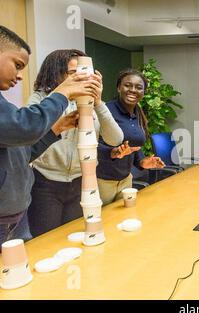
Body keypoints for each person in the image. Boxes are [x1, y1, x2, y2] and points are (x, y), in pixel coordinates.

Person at [0, 25, 100, 246]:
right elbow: (25, 127)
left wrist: (57, 128)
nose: (19, 76)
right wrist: (62, 92)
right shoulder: (45, 99)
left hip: (15, 214)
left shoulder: (4, 104)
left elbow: (24, 151)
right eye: (17, 65)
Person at [26, 49, 124, 237]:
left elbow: (115, 139)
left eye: (84, 73)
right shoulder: (41, 100)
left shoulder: (90, 103)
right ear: (56, 73)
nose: (81, 78)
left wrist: (98, 102)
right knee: (47, 239)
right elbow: (31, 135)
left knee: (76, 235)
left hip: (81, 182)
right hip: (46, 183)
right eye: (73, 73)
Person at [96, 69, 165, 205]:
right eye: (128, 85)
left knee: (123, 220)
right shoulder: (105, 111)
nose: (133, 90)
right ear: (118, 88)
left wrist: (142, 162)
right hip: (102, 181)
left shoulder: (137, 114)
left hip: (125, 180)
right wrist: (112, 152)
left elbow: (133, 146)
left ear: (143, 92)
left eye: (139, 87)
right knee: (103, 222)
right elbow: (92, 143)